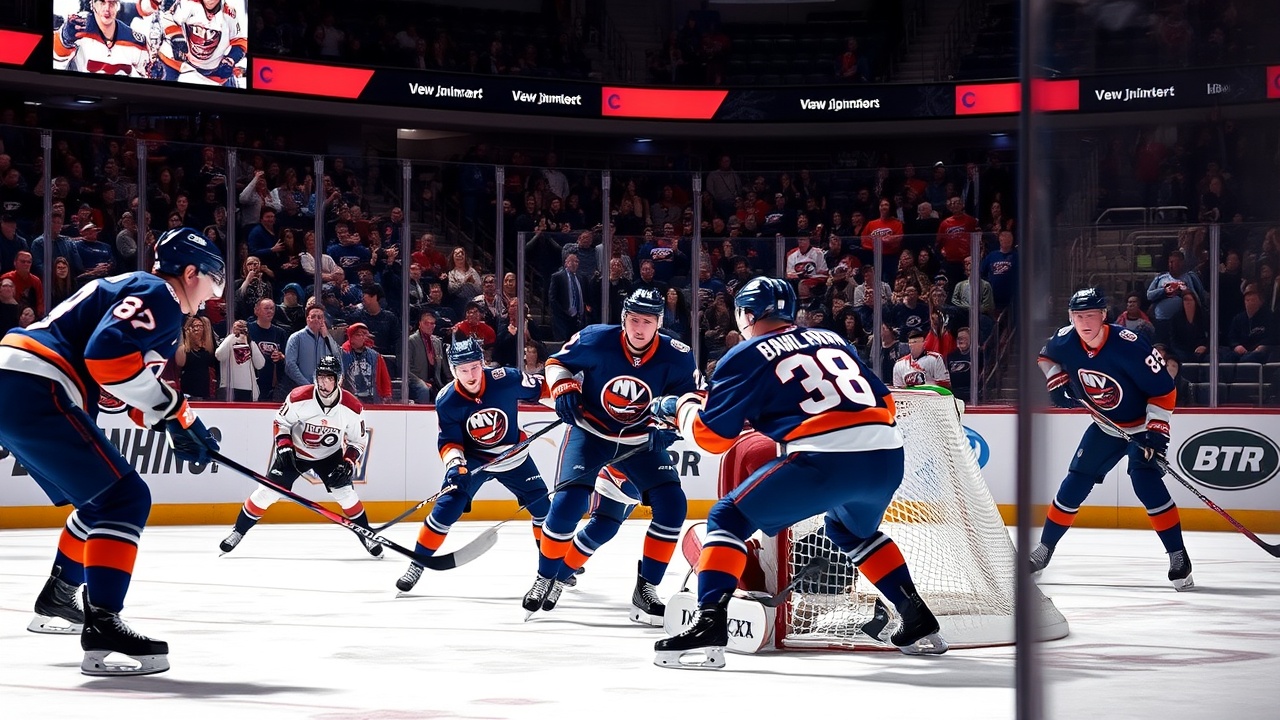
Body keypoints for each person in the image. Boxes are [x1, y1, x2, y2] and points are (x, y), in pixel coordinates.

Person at [648, 277, 946, 669]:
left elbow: (713, 438)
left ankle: (709, 624)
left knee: (727, 517)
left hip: (828, 459)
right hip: (887, 455)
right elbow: (886, 401)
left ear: (747, 314)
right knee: (850, 531)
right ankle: (915, 615)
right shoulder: (832, 339)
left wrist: (680, 408)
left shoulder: (744, 353)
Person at [0, 227, 223, 676]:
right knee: (126, 499)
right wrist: (175, 411)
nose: (214, 295)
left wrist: (176, 423)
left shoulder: (147, 297)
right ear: (190, 273)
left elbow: (120, 390)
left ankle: (60, 594)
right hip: (38, 381)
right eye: (213, 281)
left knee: (100, 501)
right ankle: (103, 624)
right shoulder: (160, 294)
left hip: (20, 379)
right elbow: (106, 360)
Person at [525, 288, 698, 623]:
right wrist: (563, 387)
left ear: (659, 323)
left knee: (673, 505)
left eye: (647, 321)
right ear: (623, 318)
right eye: (634, 319)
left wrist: (671, 425)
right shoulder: (596, 339)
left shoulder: (677, 356)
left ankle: (646, 589)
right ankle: (546, 576)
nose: (639, 328)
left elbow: (690, 400)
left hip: (638, 441)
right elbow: (557, 362)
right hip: (591, 432)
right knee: (569, 504)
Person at [1032, 288, 1190, 590]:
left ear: (1104, 315)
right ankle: (1044, 549)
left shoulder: (1130, 345)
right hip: (1105, 426)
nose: (1084, 322)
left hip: (1142, 425)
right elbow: (1045, 356)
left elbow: (1164, 390)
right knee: (1075, 483)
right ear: (1070, 317)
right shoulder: (1065, 339)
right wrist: (1055, 379)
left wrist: (1156, 433)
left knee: (1145, 482)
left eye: (1091, 315)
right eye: (1078, 316)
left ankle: (1178, 555)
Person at [395, 336, 554, 593]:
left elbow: (546, 390)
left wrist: (570, 405)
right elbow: (449, 441)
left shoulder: (506, 379)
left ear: (483, 363)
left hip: (512, 456)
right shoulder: (447, 400)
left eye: (475, 367)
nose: (471, 375)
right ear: (453, 370)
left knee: (543, 508)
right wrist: (455, 466)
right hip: (474, 458)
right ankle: (418, 563)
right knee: (447, 508)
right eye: (463, 369)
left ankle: (554, 564)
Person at [220, 356, 382, 558]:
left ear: (339, 380)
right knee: (267, 492)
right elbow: (281, 422)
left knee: (345, 494)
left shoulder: (352, 407)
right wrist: (284, 446)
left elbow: (358, 441)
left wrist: (348, 462)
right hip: (295, 452)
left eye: (329, 378)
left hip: (329, 456)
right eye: (320, 377)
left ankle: (366, 534)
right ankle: (238, 531)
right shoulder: (299, 398)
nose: (323, 383)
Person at [216, 318, 266, 401]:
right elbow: (219, 355)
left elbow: (260, 364)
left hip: (249, 390)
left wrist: (249, 341)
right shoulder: (228, 341)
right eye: (237, 327)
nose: (240, 330)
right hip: (231, 390)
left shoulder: (250, 344)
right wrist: (232, 336)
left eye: (243, 328)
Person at [406, 311, 450, 403]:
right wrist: (421, 382)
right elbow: (406, 369)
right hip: (416, 380)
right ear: (420, 324)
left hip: (435, 381)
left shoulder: (437, 342)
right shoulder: (411, 341)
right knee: (424, 389)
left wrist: (452, 382)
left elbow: (445, 368)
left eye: (432, 323)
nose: (430, 326)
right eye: (427, 323)